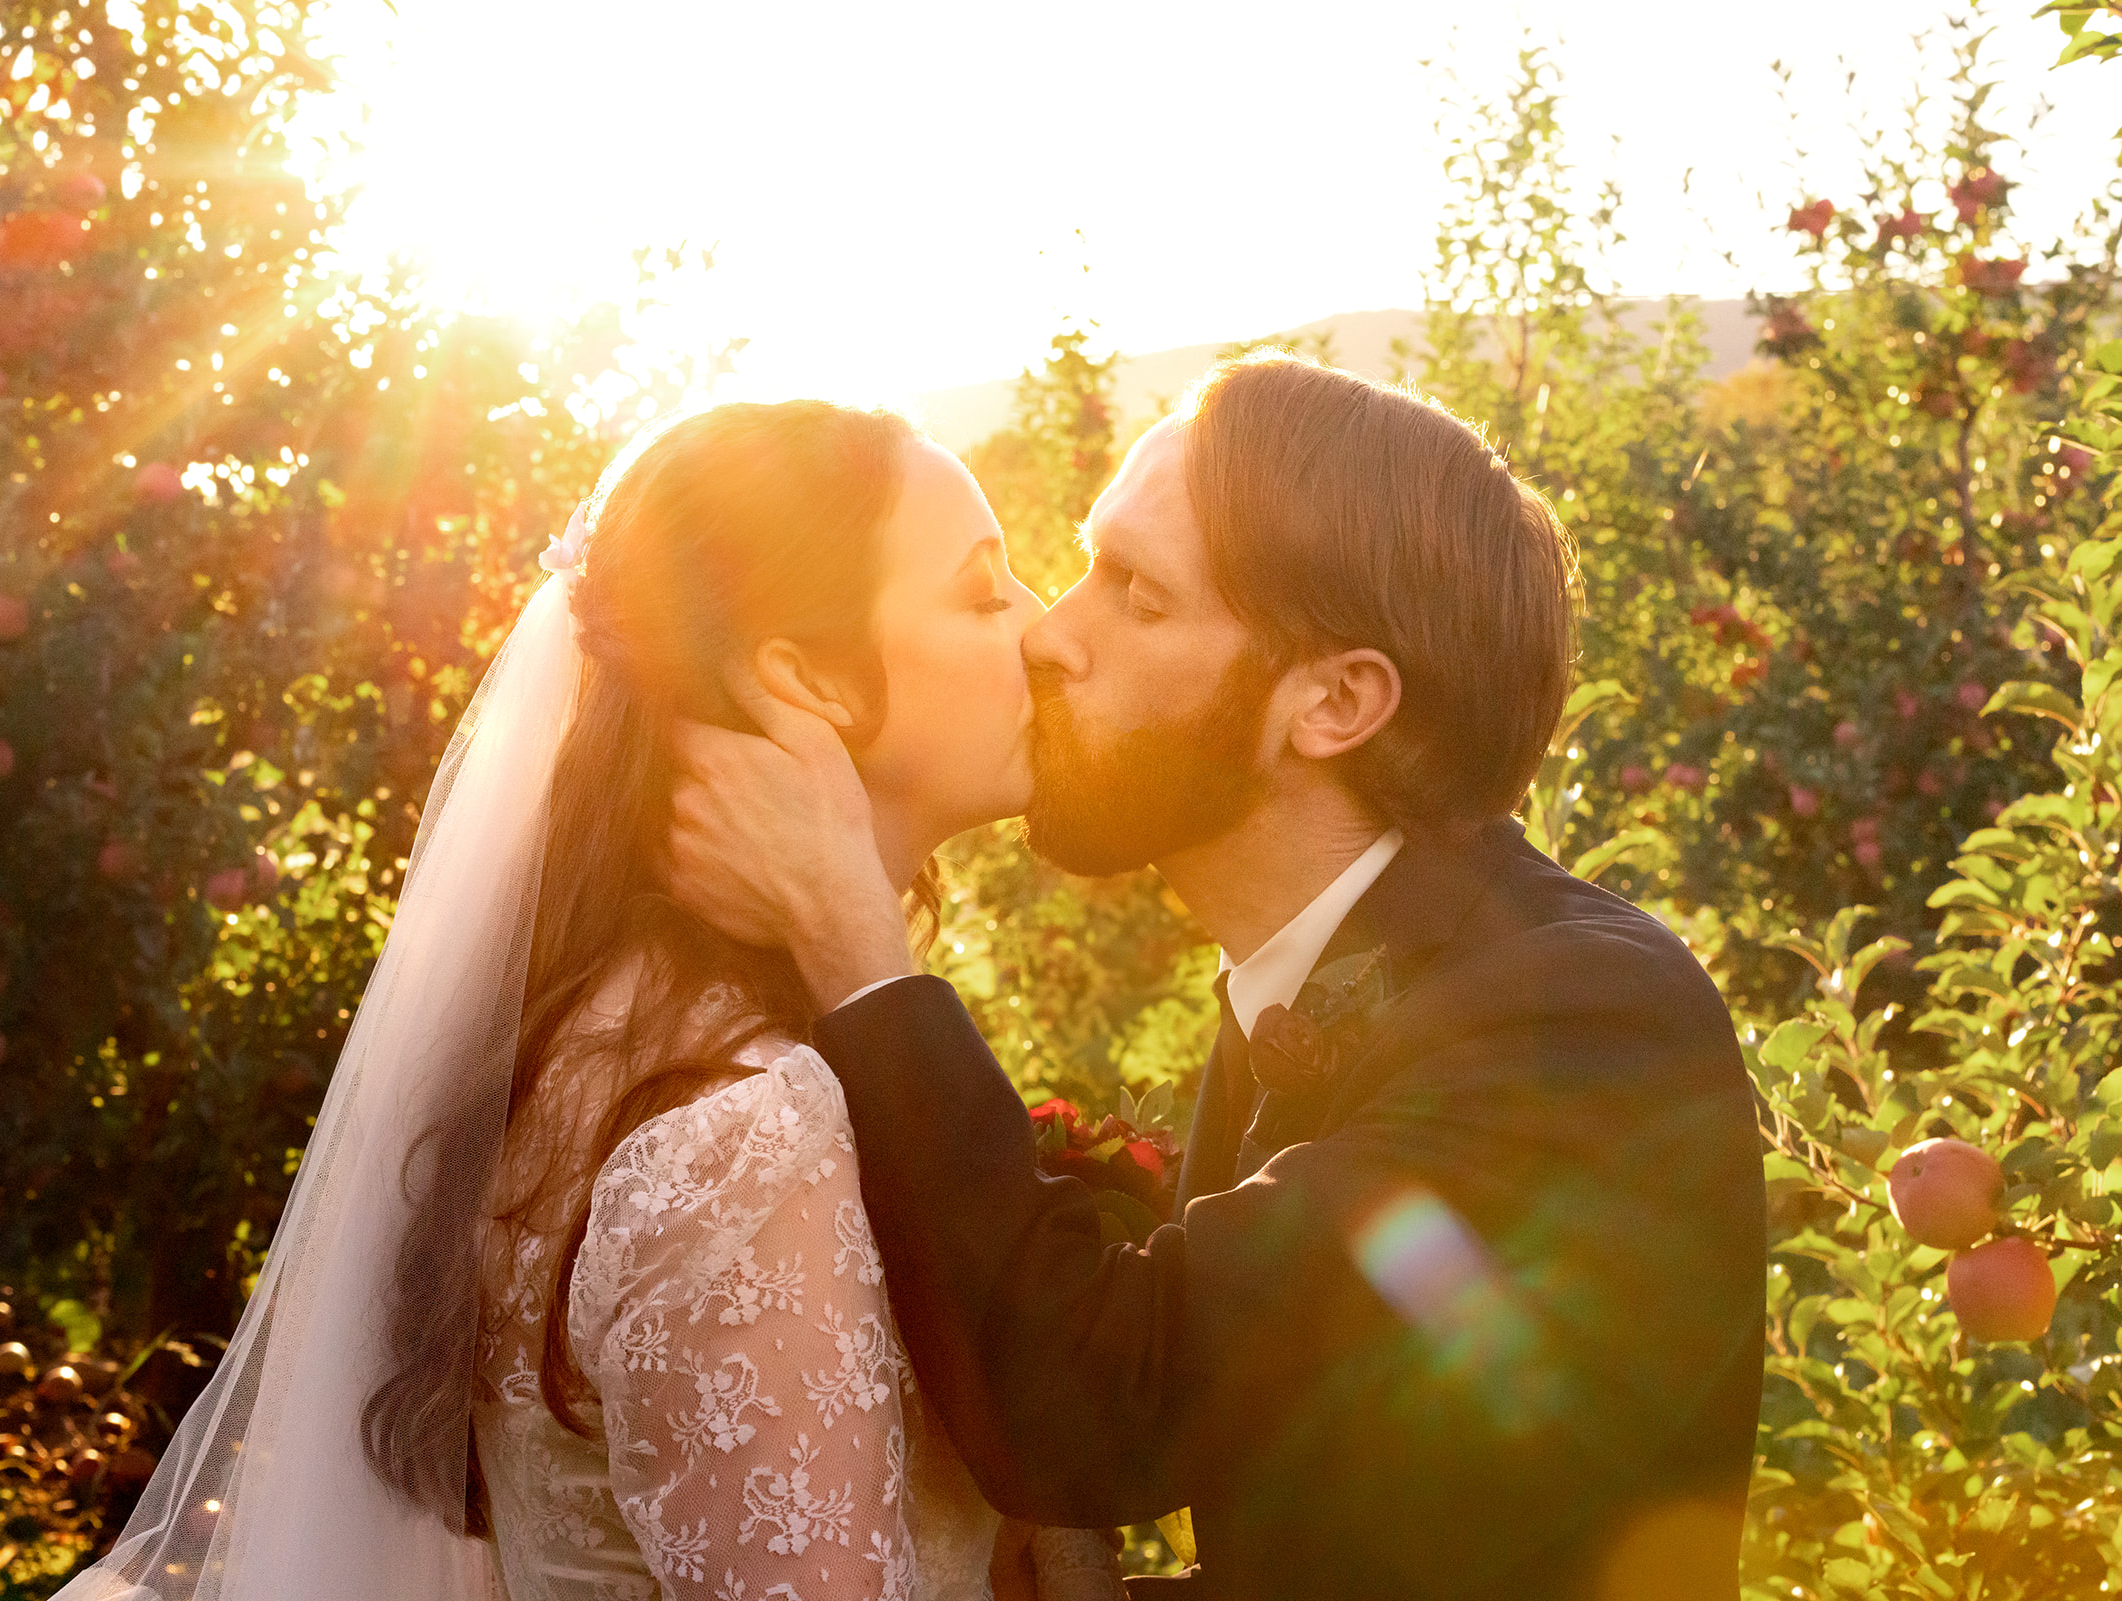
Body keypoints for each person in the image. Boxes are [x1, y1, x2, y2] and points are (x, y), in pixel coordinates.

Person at [667, 356, 1769, 1600]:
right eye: (1086, 564)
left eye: (1134, 593)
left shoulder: (1577, 1025)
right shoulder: (1310, 981)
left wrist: (853, 939)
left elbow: (1091, 1407)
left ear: (1335, 702)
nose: (1049, 632)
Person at [54, 400, 1123, 1601]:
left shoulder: (601, 1031)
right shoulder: (744, 1130)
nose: (1040, 631)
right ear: (806, 678)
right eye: (986, 594)